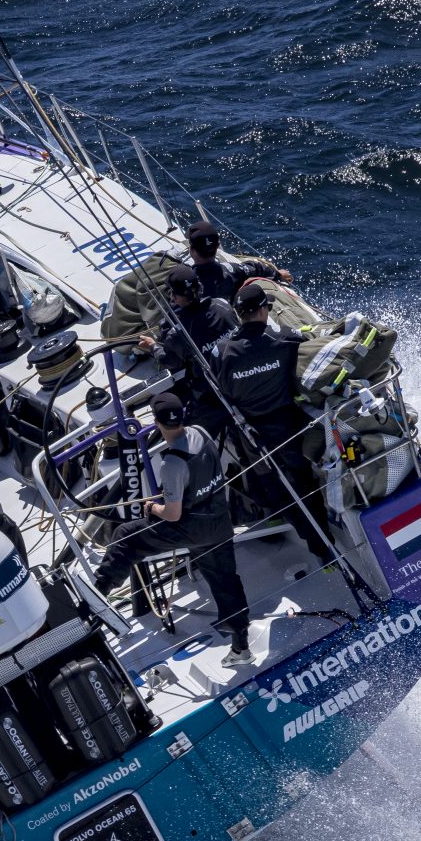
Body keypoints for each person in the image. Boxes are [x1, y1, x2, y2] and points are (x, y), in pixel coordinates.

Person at [93, 390, 253, 666]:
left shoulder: (171, 463)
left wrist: (153, 508)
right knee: (226, 580)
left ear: (156, 423)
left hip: (192, 527)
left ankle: (96, 599)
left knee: (126, 537)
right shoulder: (201, 432)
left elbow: (172, 513)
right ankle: (241, 647)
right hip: (220, 521)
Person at [211, 281, 331, 564]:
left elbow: (219, 387)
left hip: (254, 438)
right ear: (265, 310)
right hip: (291, 429)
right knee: (304, 484)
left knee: (276, 490)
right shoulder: (285, 337)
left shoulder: (222, 351)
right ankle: (324, 543)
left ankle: (314, 544)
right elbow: (308, 346)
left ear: (239, 313)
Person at [135, 263, 237, 404]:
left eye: (172, 292)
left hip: (212, 391)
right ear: (199, 286)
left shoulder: (177, 333)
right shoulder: (223, 305)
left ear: (175, 297)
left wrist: (152, 347)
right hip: (239, 373)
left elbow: (170, 361)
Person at [183, 220, 289, 305]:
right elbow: (256, 268)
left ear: (192, 250)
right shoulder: (230, 270)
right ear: (217, 247)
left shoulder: (187, 283)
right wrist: (278, 275)